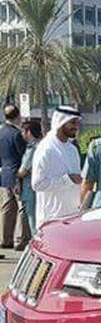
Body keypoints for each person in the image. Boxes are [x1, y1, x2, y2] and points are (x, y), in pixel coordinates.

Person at [32, 106, 83, 228]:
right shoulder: (46, 149)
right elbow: (37, 184)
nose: (76, 127)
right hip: (51, 219)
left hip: (73, 217)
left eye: (77, 123)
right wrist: (67, 179)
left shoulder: (72, 149)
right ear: (61, 122)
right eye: (72, 123)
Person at [0, 104, 27, 249]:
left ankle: (5, 239)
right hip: (17, 175)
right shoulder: (17, 134)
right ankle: (21, 240)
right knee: (22, 206)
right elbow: (23, 155)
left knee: (7, 208)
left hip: (5, 174)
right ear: (17, 116)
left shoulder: (1, 132)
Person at [17, 119, 42, 237]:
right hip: (39, 188)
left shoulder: (32, 148)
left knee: (33, 221)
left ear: (29, 132)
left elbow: (23, 171)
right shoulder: (42, 145)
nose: (22, 134)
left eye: (23, 131)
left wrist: (13, 174)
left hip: (30, 188)